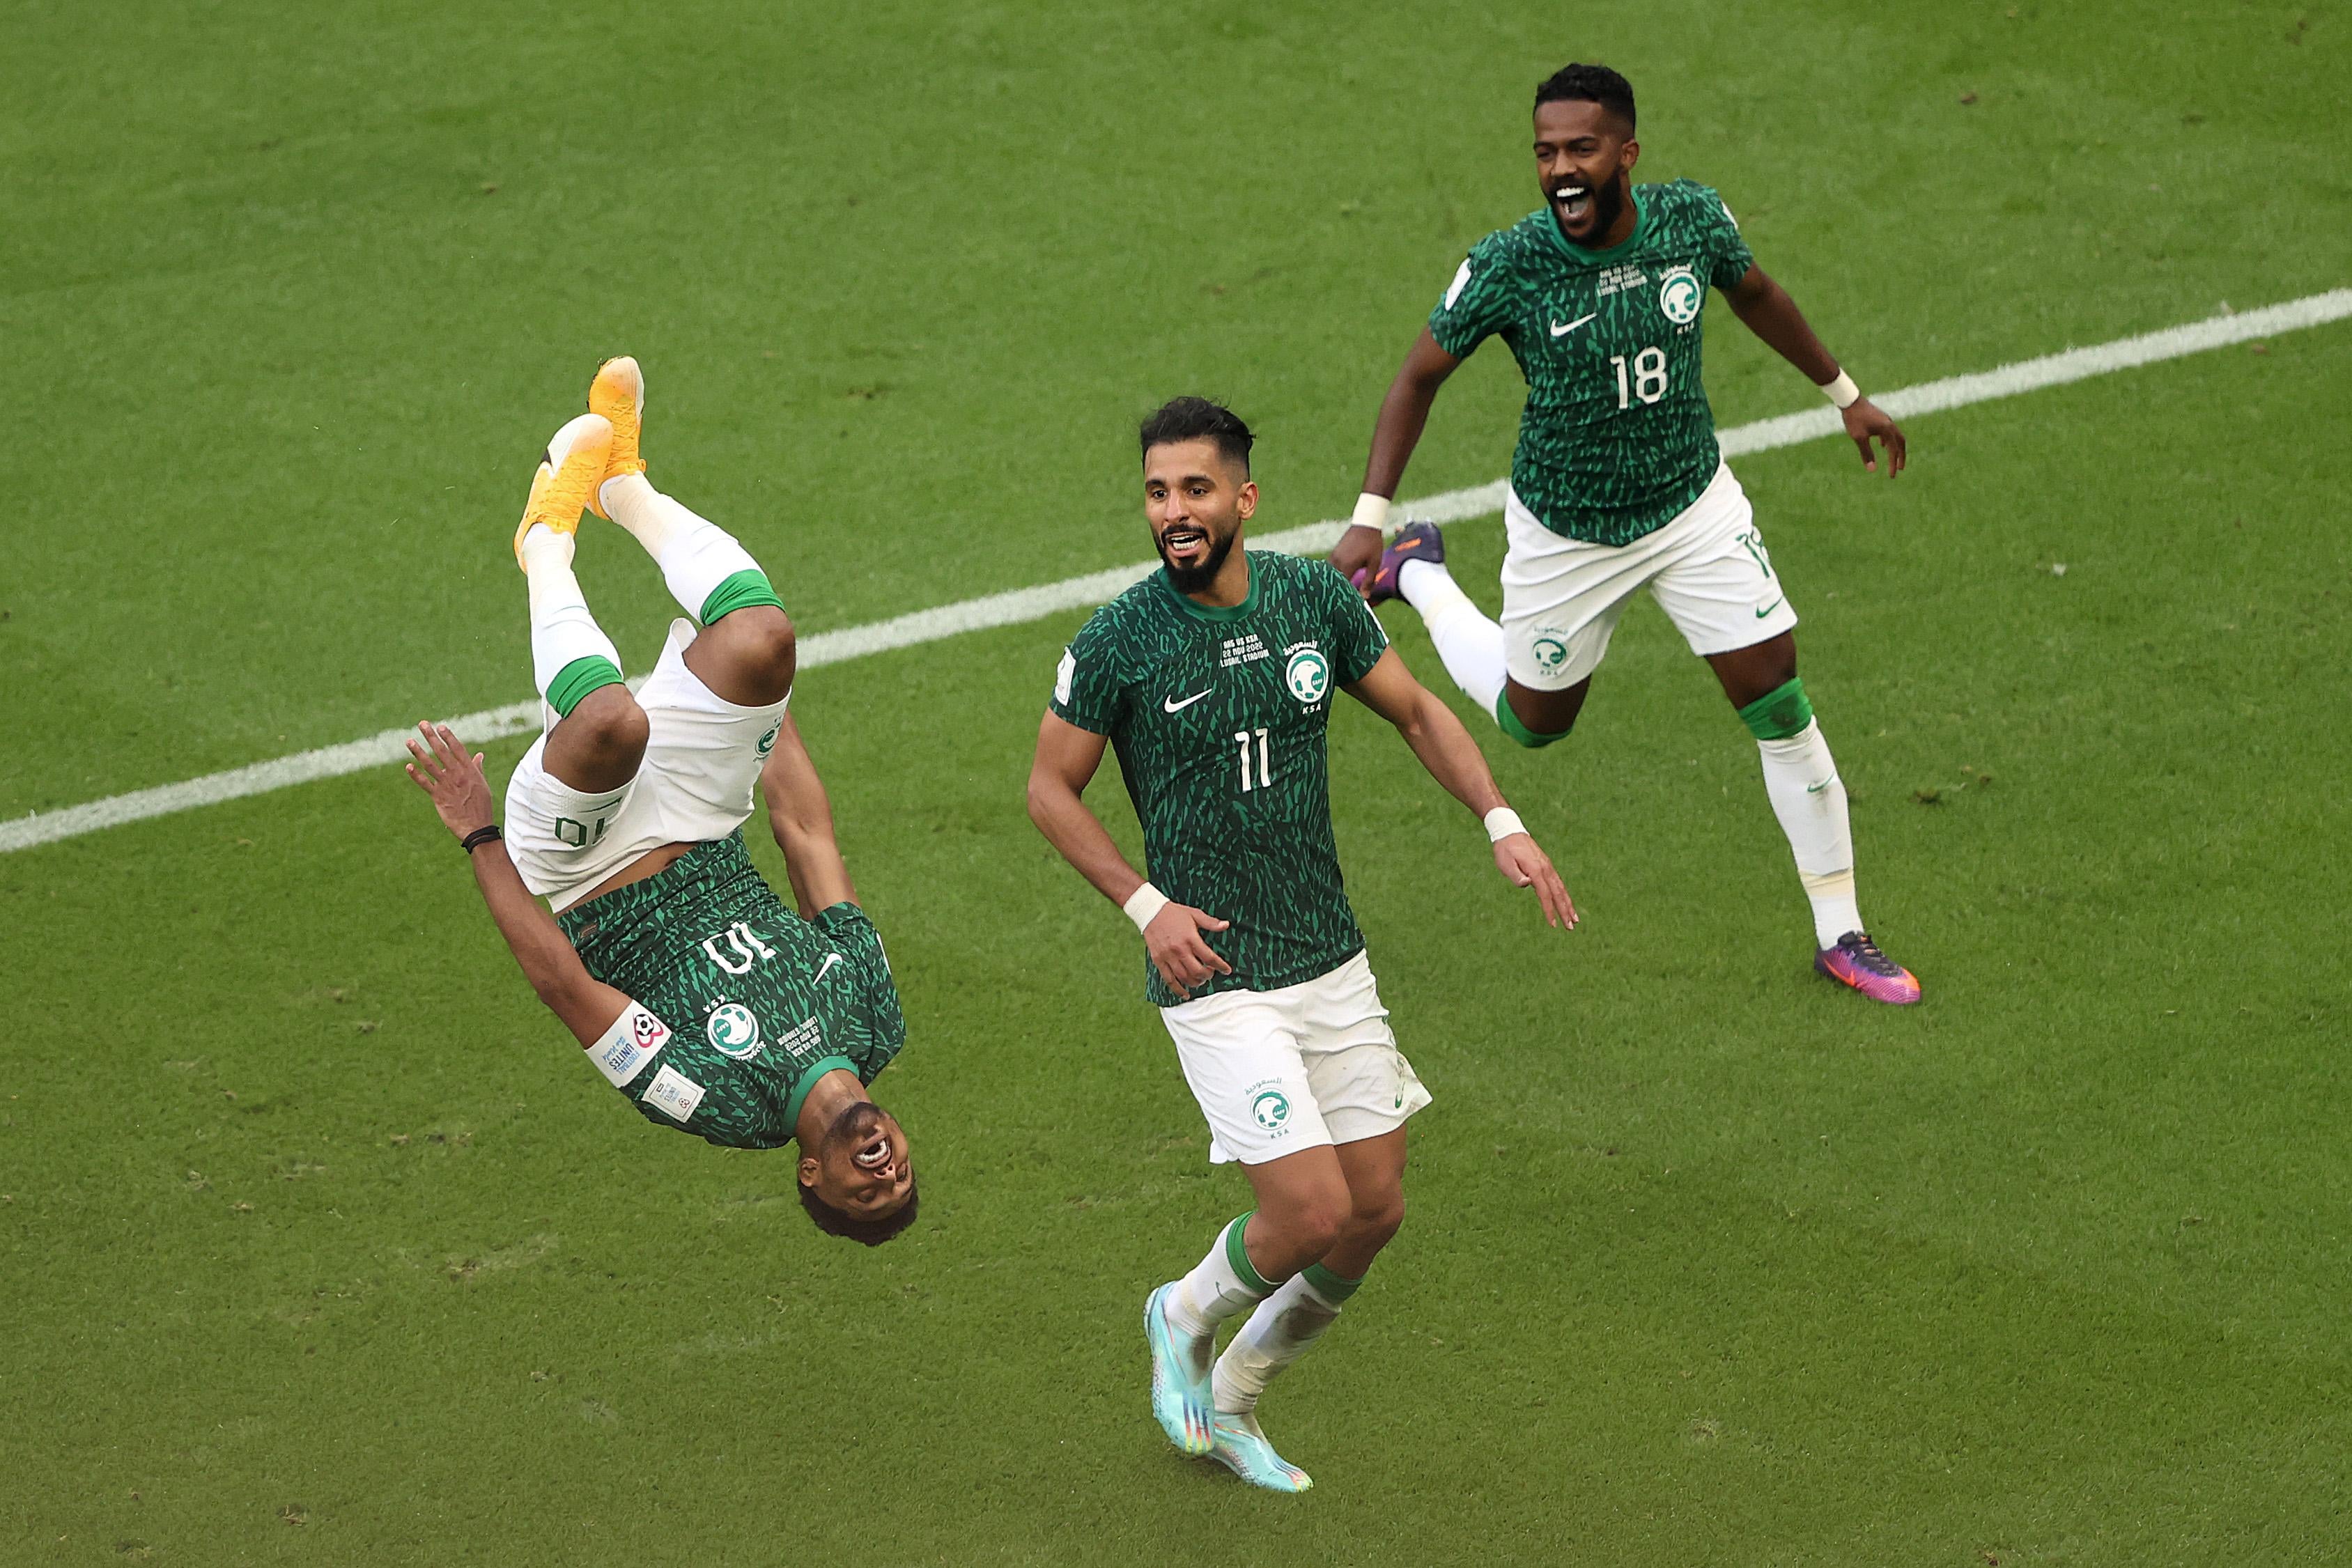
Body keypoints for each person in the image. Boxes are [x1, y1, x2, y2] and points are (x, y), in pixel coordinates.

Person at [1027, 396, 1574, 1490]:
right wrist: (1147, 905)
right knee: (1307, 1208)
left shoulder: (1312, 599)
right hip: (1216, 971)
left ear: (1242, 497)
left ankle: (1234, 1398)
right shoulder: (1120, 639)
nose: (1172, 511)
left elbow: (1417, 711)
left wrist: (1500, 819)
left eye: (1192, 488)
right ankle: (1178, 1315)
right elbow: (1050, 789)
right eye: (1154, 491)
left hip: (1327, 953)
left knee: (1372, 1212)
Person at [1329, 62, 1921, 1004]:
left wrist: (1845, 396)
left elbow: (1757, 291)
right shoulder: (1510, 263)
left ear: (1626, 154)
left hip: (1692, 507)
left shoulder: (1691, 221)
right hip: (1568, 532)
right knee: (1533, 723)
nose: (1561, 169)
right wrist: (1371, 520)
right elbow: (1417, 377)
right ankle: (1421, 577)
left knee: (1776, 692)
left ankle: (1841, 930)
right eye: (1545, 152)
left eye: (1581, 149)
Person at [404, 357, 915, 1243]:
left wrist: (478, 831)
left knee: (612, 722)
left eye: (866, 1191)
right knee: (763, 638)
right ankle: (624, 483)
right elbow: (805, 835)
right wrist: (761, 710)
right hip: (704, 813)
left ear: (811, 1175)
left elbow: (564, 985)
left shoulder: (714, 1101)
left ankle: (544, 538)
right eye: (902, 1173)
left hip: (584, 860)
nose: (884, 1168)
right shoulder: (874, 1016)